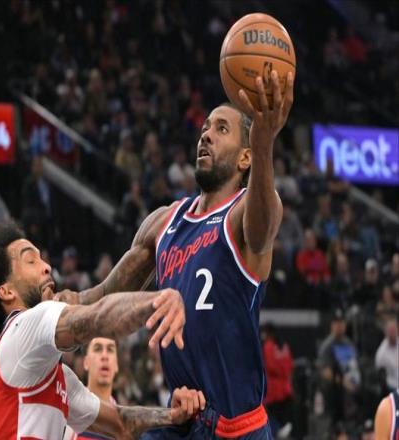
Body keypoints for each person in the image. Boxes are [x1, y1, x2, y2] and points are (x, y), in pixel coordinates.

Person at [65, 70, 295, 438]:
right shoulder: (163, 222)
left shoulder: (245, 213)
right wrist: (56, 310)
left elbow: (263, 227)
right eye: (205, 127)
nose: (206, 134)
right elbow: (103, 295)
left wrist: (265, 143)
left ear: (245, 158)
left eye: (221, 129)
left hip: (238, 428)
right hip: (185, 419)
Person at [0, 222, 205, 439]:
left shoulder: (55, 376)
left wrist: (172, 415)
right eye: (31, 261)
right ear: (7, 292)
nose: (47, 267)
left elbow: (121, 424)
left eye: (42, 259)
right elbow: (96, 316)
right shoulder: (23, 328)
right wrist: (157, 301)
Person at [64, 337, 119, 440]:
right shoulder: (69, 412)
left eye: (110, 350)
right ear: (86, 362)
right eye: (98, 349)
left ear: (116, 364)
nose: (105, 356)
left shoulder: (123, 423)